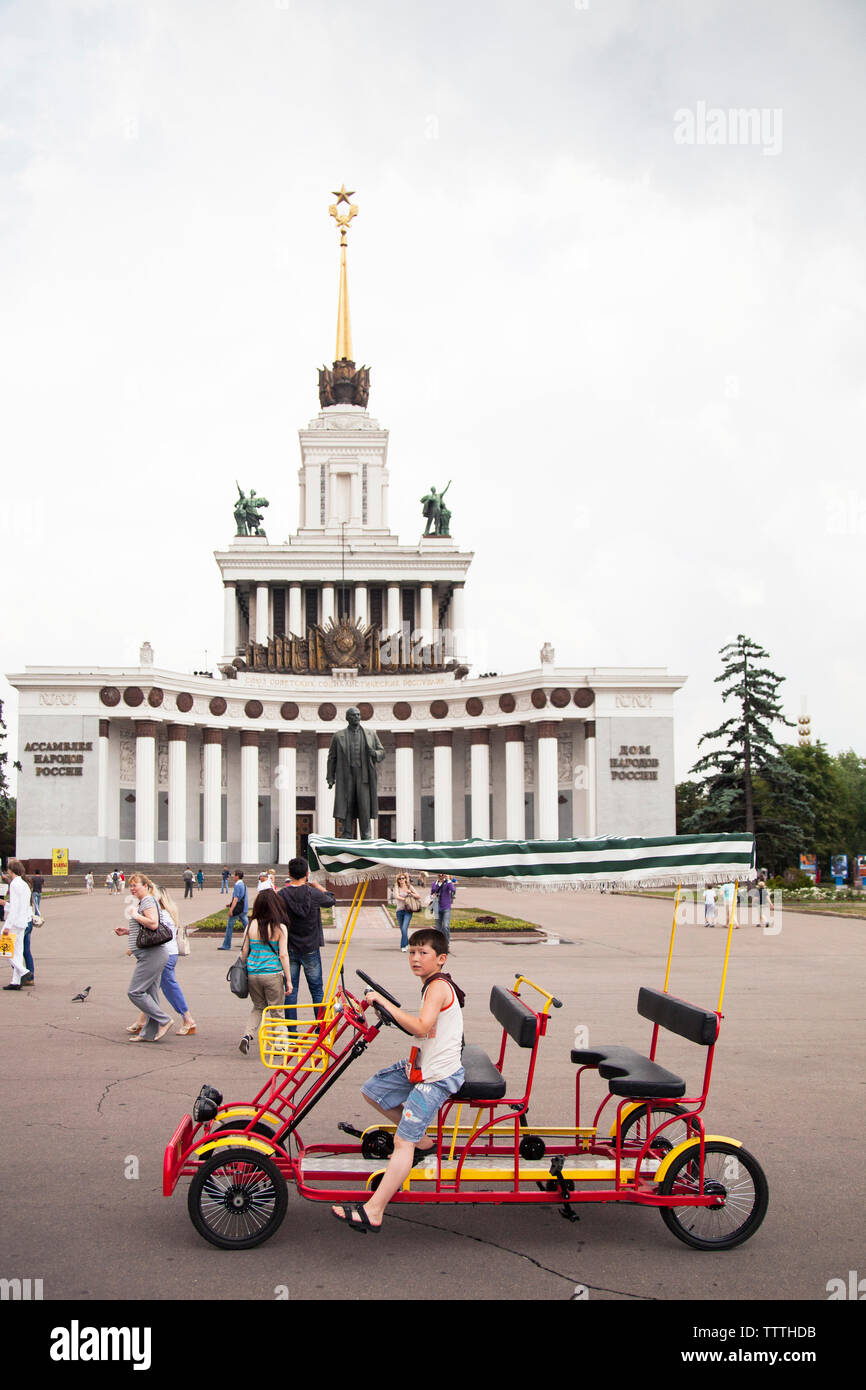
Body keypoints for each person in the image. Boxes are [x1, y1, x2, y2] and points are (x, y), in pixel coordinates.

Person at [332, 927, 465, 1232]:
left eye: (424, 953)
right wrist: (382, 1004)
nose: (416, 958)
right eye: (412, 952)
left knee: (401, 1141)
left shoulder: (438, 988)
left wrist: (384, 1003)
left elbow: (420, 1027)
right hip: (422, 1064)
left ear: (441, 959)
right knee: (374, 1090)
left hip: (437, 1075)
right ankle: (423, 1140)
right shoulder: (431, 984)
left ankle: (374, 1210)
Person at [129, 886, 196, 1036]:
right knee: (151, 987)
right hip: (167, 953)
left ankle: (188, 1019)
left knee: (167, 987)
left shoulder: (161, 914)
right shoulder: (165, 912)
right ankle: (142, 1021)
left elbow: (155, 931)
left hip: (163, 953)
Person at [278, 857, 336, 1018]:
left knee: (290, 990)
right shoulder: (314, 893)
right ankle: (320, 1029)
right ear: (307, 874)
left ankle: (292, 1034)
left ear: (289, 873)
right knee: (317, 989)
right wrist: (318, 886)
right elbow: (331, 900)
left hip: (289, 948)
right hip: (311, 948)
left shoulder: (282, 895)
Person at [118, 872, 172, 1042]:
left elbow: (153, 923)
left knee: (135, 992)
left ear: (146, 886)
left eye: (135, 885)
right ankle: (148, 1033)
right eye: (131, 886)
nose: (132, 888)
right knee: (152, 993)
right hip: (151, 954)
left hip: (152, 954)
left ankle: (165, 1019)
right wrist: (127, 931)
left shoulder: (148, 900)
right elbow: (146, 927)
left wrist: (134, 915)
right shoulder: (145, 901)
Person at [237, 889, 292, 1056]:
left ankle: (247, 1035)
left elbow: (244, 952)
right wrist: (288, 980)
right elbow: (283, 955)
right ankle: (280, 1045)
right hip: (273, 974)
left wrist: (245, 969)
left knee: (258, 1007)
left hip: (253, 974)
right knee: (277, 1010)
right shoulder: (280, 928)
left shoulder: (251, 926)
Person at [2, 859, 34, 989]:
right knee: (18, 952)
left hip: (14, 923)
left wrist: (7, 926)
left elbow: (15, 907)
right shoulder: (24, 884)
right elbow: (22, 906)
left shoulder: (14, 884)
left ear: (10, 870)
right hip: (23, 922)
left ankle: (24, 971)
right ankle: (15, 981)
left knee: (5, 950)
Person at [219, 871, 248, 950]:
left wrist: (231, 910)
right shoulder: (244, 885)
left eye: (234, 875)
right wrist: (230, 904)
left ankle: (226, 945)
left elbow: (236, 898)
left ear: (237, 876)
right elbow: (242, 898)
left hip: (237, 910)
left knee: (229, 927)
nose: (233, 877)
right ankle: (253, 944)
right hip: (243, 909)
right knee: (248, 928)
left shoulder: (237, 885)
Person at [393, 871, 419, 951]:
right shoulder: (397, 887)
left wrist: (410, 893)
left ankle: (403, 946)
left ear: (405, 879)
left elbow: (418, 896)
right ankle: (407, 943)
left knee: (404, 928)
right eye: (399, 879)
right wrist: (406, 899)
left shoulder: (409, 887)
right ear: (398, 880)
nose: (401, 880)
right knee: (402, 929)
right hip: (399, 910)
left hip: (408, 910)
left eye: (403, 878)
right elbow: (397, 896)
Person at [430, 871, 457, 946]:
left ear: (444, 874)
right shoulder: (434, 884)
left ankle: (447, 944)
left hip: (446, 907)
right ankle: (439, 944)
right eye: (439, 873)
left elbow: (453, 890)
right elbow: (431, 894)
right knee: (438, 928)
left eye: (442, 873)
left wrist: (449, 881)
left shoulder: (448, 883)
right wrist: (433, 896)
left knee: (445, 926)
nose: (440, 875)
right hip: (436, 907)